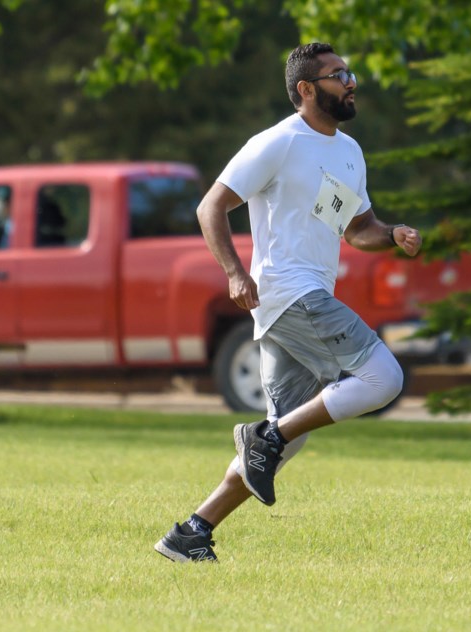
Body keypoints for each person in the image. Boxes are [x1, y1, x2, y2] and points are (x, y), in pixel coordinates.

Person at [154, 42, 422, 562]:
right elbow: (211, 207)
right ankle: (264, 437)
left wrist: (391, 233)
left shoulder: (348, 151)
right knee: (383, 379)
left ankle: (191, 531)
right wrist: (234, 272)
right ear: (305, 89)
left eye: (350, 72)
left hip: (306, 295)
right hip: (288, 291)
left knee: (283, 441)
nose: (351, 82)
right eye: (337, 74)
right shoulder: (277, 143)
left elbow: (356, 228)